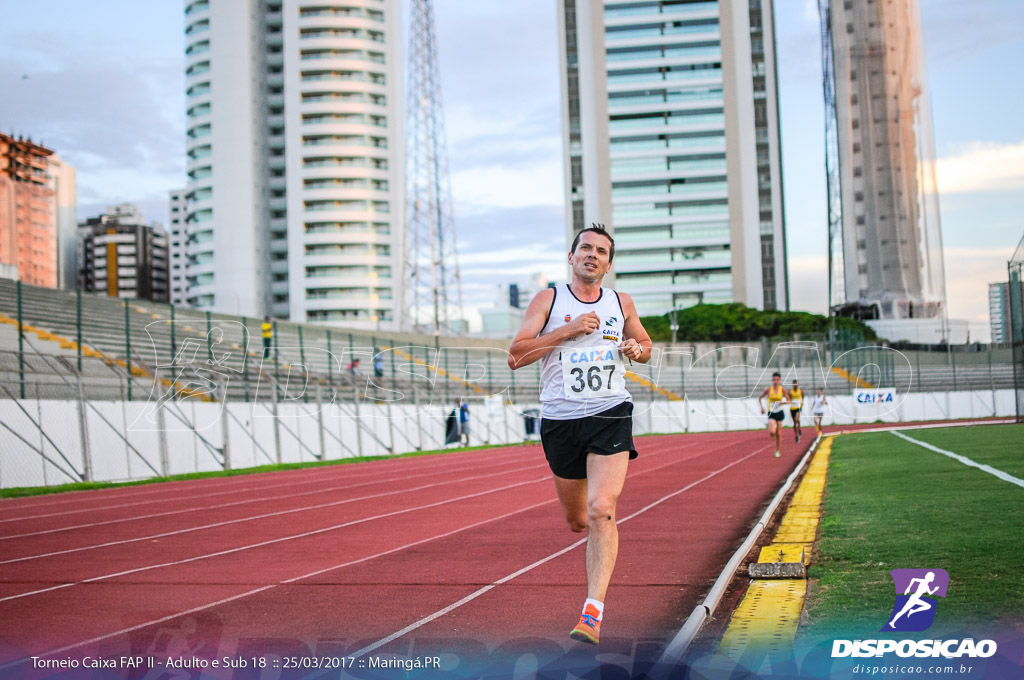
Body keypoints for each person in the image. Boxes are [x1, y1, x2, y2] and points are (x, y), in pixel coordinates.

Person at [507, 224, 652, 645]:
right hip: (561, 421)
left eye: (601, 251)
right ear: (571, 258)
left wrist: (635, 350)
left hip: (610, 411)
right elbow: (517, 357)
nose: (592, 254)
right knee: (576, 521)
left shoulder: (621, 302)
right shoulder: (548, 299)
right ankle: (587, 516)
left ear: (608, 264)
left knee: (602, 508)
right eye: (585, 248)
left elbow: (645, 347)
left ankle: (593, 612)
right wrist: (566, 331)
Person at [758, 372, 790, 458]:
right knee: (772, 432)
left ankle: (777, 450)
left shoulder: (782, 390)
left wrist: (783, 402)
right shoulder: (769, 389)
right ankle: (773, 429)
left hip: (779, 413)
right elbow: (760, 397)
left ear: (779, 380)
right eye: (774, 380)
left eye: (777, 380)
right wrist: (762, 408)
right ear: (772, 380)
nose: (775, 381)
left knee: (779, 434)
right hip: (771, 412)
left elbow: (788, 400)